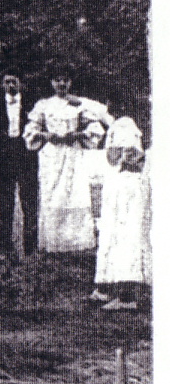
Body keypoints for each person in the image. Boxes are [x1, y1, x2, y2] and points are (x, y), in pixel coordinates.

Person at [25, 74, 114, 253]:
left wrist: (78, 135)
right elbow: (31, 129)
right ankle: (53, 243)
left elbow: (95, 127)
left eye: (65, 80)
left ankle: (76, 242)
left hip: (73, 154)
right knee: (53, 194)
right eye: (57, 80)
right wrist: (45, 135)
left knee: (74, 193)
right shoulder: (44, 105)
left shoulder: (78, 104)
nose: (61, 84)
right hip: (52, 155)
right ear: (52, 82)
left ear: (70, 82)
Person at [93, 117, 150, 311]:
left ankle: (127, 297)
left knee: (126, 239)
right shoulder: (120, 125)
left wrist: (121, 155)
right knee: (111, 237)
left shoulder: (126, 125)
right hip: (119, 186)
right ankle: (107, 288)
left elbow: (120, 158)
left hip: (128, 188)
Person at [0, 72, 40, 257]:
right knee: (5, 205)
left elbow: (40, 131)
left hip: (26, 158)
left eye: (14, 81)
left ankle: (30, 250)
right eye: (6, 82)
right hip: (5, 160)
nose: (10, 85)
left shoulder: (32, 106)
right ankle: (4, 248)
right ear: (2, 84)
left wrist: (34, 152)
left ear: (20, 83)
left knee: (29, 205)